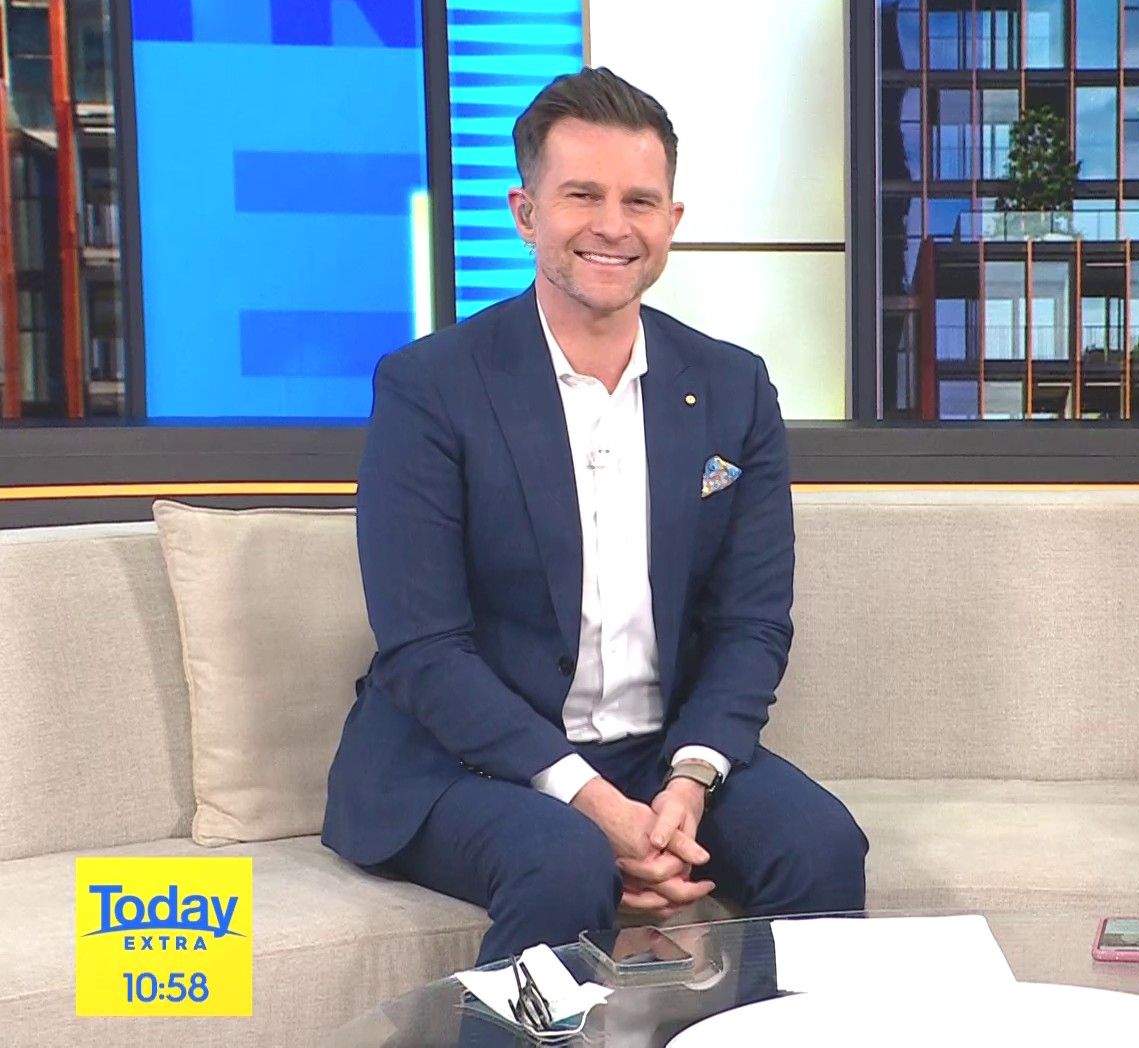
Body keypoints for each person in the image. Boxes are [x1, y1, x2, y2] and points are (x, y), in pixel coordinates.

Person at [321, 67, 868, 964]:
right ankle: (502, 1020)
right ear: (526, 212)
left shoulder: (732, 387)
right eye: (582, 195)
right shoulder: (430, 387)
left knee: (821, 846)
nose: (614, 225)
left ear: (671, 222)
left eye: (639, 201)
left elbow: (752, 623)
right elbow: (424, 648)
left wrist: (688, 782)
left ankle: (749, 1029)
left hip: (662, 753)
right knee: (564, 861)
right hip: (465, 764)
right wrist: (595, 805)